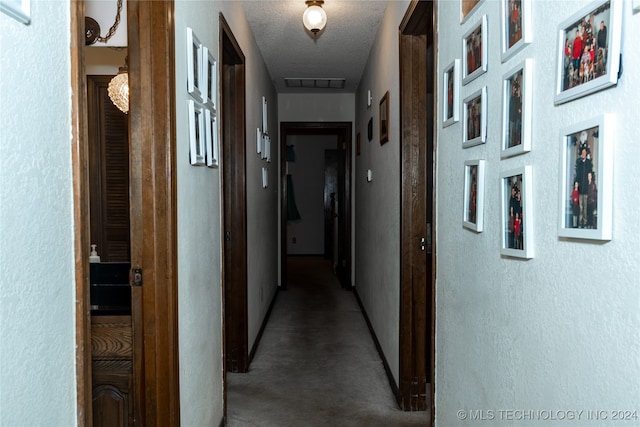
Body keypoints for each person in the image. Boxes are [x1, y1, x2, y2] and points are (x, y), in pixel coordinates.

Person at [575, 144, 593, 228]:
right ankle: (580, 221)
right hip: (580, 186)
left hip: (585, 186)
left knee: (585, 206)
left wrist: (589, 180)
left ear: (586, 153)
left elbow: (589, 172)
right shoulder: (579, 162)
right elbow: (577, 174)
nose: (583, 154)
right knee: (580, 206)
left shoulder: (588, 162)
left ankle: (585, 222)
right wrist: (576, 184)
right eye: (582, 152)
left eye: (584, 152)